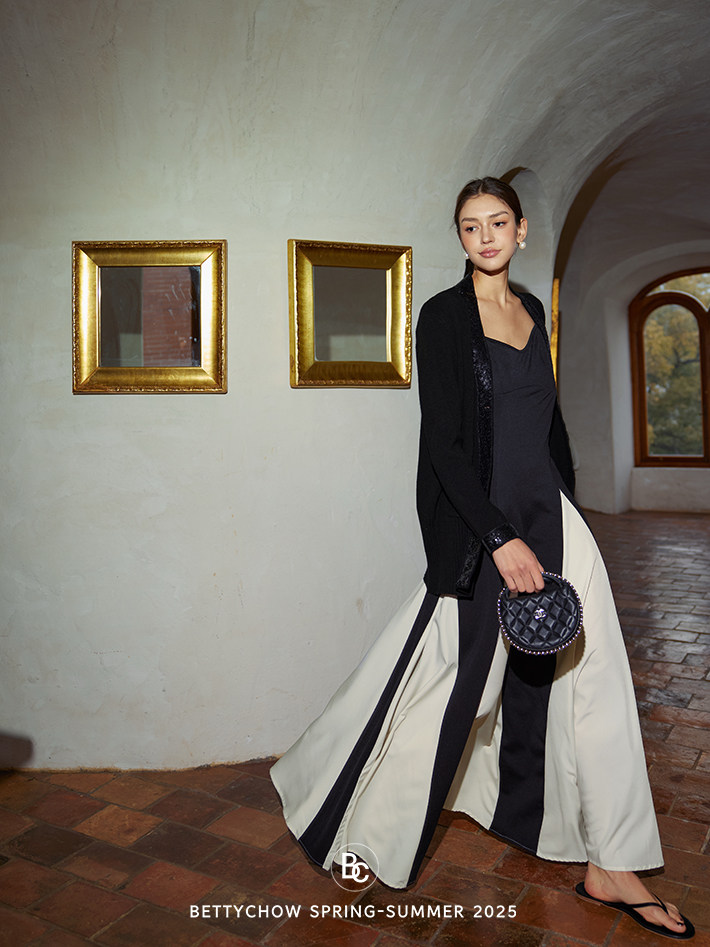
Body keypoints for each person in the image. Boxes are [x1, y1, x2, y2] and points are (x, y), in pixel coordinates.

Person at [271, 177, 694, 940]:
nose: (487, 236)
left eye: (499, 222)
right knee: (450, 686)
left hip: (553, 517)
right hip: (483, 529)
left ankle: (614, 861)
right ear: (461, 237)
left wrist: (567, 507)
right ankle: (362, 831)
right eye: (471, 226)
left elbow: (547, 423)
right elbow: (443, 445)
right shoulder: (442, 316)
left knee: (597, 682)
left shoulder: (532, 308)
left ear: (521, 230)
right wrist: (499, 536)